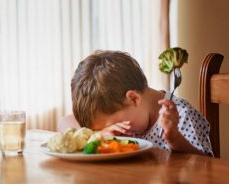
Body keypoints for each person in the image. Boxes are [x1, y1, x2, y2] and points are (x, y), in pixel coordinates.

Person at [59, 50, 213, 156]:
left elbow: (206, 166)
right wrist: (98, 135)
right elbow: (65, 122)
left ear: (134, 99)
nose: (112, 130)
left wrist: (174, 138)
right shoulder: (123, 110)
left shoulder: (181, 116)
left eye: (114, 124)